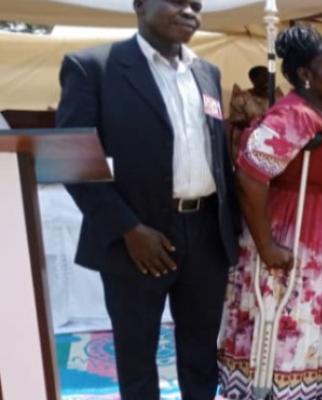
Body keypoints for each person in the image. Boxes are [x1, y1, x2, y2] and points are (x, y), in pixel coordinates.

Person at [55, 0, 239, 398]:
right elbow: (72, 161)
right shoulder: (94, 67)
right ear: (139, 5)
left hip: (206, 233)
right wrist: (128, 229)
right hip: (136, 236)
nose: (190, 11)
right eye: (178, 1)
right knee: (137, 353)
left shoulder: (207, 72)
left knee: (202, 350)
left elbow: (217, 156)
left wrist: (231, 227)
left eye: (196, 4)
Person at [217, 25, 322, 399]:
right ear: (305, 76)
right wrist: (266, 246)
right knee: (289, 321)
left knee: (314, 320)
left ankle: (312, 390)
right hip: (293, 232)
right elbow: (249, 175)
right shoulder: (294, 115)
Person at [227, 66, 283, 156]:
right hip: (247, 145)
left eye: (269, 75)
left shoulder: (278, 98)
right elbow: (237, 121)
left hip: (271, 144)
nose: (267, 79)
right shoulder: (241, 98)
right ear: (253, 79)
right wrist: (261, 125)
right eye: (263, 76)